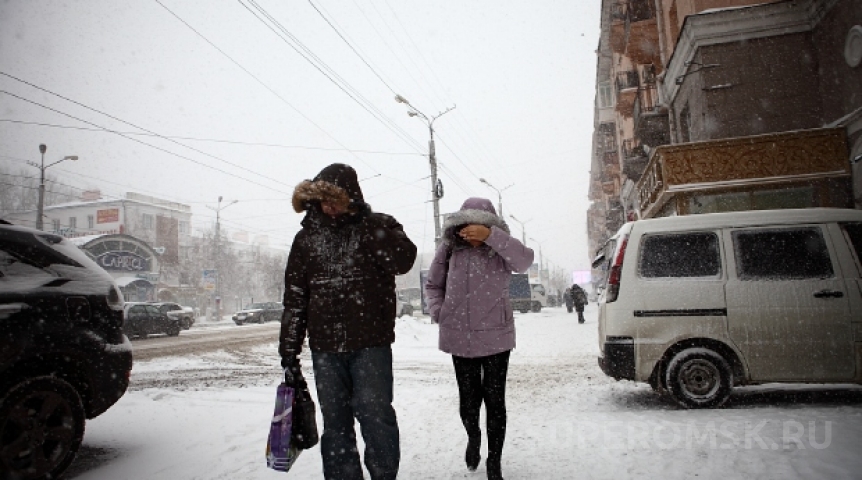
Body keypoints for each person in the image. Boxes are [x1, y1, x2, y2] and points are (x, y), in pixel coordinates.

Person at [279, 163, 417, 480]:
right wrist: (289, 349)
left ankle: (384, 475)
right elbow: (296, 297)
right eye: (322, 199)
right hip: (326, 349)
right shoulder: (306, 240)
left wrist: (368, 225)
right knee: (336, 423)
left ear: (350, 197)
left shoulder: (377, 226)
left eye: (334, 198)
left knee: (376, 416)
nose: (328, 206)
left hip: (371, 344)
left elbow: (403, 260)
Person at [425, 197, 534, 480]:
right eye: (468, 226)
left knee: (495, 400)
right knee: (469, 401)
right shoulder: (449, 249)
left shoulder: (500, 249)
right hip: (458, 335)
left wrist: (492, 236)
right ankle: (473, 437)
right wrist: (440, 312)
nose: (472, 232)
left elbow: (525, 261)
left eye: (480, 226)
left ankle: (494, 461)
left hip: (496, 336)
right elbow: (433, 284)